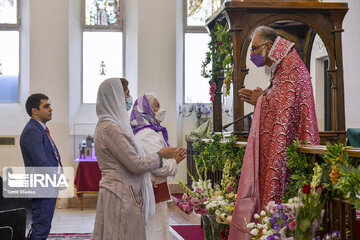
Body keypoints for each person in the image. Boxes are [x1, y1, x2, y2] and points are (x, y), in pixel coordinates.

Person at [229, 26, 320, 239]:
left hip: (290, 159)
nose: (253, 55)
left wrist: (261, 100)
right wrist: (263, 98)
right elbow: (279, 102)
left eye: (254, 49)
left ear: (268, 47)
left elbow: (285, 113)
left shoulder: (291, 68)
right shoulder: (283, 66)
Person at [92, 78, 185, 240]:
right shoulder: (110, 128)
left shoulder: (106, 125)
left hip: (119, 191)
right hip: (120, 194)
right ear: (117, 97)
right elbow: (136, 164)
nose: (129, 98)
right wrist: (161, 155)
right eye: (127, 94)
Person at [130, 93, 186, 240]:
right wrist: (175, 161)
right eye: (157, 106)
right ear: (146, 110)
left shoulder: (142, 132)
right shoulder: (147, 135)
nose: (161, 110)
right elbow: (159, 168)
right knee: (155, 231)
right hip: (152, 192)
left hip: (151, 191)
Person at [20, 93, 62, 240]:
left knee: (41, 226)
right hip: (41, 186)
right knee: (41, 228)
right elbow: (41, 162)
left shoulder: (40, 129)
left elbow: (52, 157)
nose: (51, 109)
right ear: (35, 111)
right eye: (46, 106)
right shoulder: (32, 130)